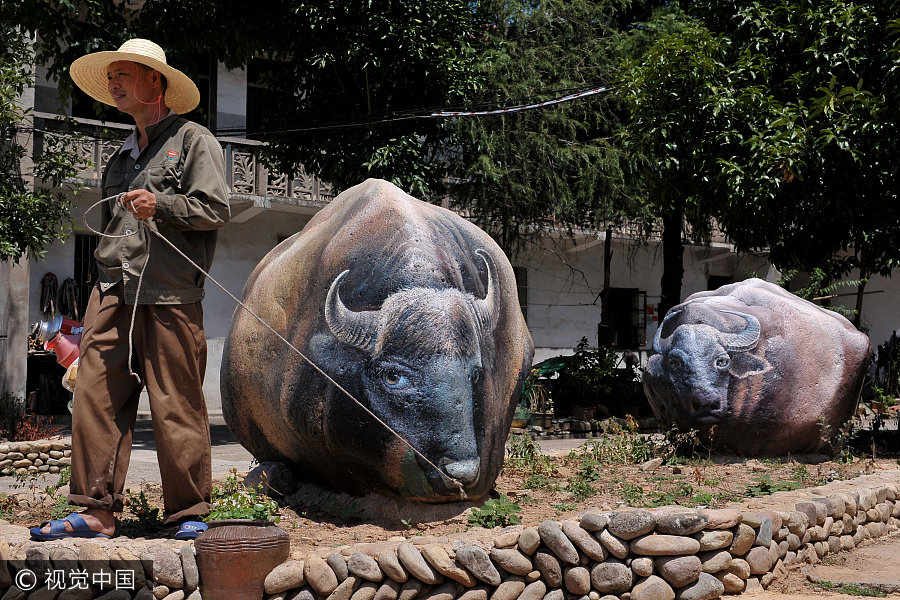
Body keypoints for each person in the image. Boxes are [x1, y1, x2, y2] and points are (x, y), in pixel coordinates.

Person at [31, 39, 230, 540]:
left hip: (169, 294)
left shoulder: (192, 140)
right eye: (112, 75)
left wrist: (161, 204)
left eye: (124, 74)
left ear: (155, 83)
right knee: (94, 395)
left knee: (175, 401)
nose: (115, 83)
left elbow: (214, 209)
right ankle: (95, 511)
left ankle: (188, 514)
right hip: (112, 289)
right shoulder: (120, 157)